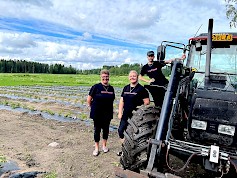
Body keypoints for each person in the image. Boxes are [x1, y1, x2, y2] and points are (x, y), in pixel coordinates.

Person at [117, 70, 150, 156]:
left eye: (134, 76)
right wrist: (120, 112)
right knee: (121, 131)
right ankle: (125, 149)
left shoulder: (142, 89)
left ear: (137, 77)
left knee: (133, 134)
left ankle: (133, 152)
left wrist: (140, 110)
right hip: (126, 114)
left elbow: (147, 102)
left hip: (136, 116)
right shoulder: (126, 88)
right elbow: (121, 101)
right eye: (131, 76)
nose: (132, 77)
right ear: (128, 77)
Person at [87, 69, 115, 156]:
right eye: (103, 76)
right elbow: (89, 100)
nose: (105, 78)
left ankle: (104, 146)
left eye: (107, 76)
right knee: (97, 130)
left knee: (106, 130)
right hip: (97, 113)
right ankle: (96, 148)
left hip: (107, 113)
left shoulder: (111, 88)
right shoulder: (95, 87)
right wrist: (94, 107)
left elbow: (112, 99)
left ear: (109, 77)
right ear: (101, 77)